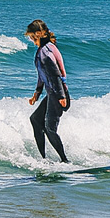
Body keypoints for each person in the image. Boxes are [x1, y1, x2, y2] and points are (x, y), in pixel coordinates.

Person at [26, 19, 70, 163]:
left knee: (50, 128)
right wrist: (37, 94)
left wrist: (61, 96)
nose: (31, 40)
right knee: (35, 120)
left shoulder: (46, 52)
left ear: (38, 34)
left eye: (32, 37)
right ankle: (44, 159)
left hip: (58, 94)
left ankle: (65, 161)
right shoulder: (43, 50)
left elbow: (55, 74)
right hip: (53, 93)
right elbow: (42, 76)